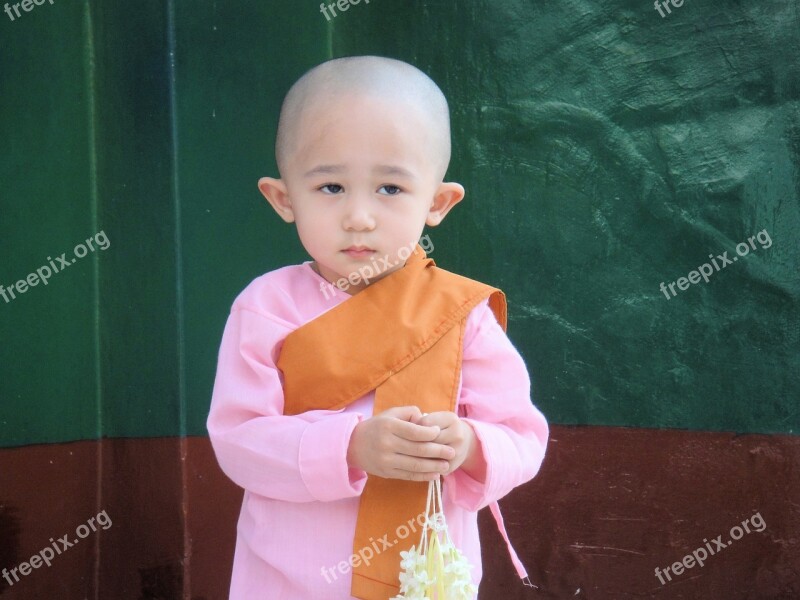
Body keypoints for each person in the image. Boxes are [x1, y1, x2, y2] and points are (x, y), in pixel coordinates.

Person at [206, 55, 549, 600]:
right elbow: (238, 442)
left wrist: (468, 445)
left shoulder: (460, 311)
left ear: (437, 202)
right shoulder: (265, 306)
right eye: (331, 188)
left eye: (389, 189)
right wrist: (350, 447)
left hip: (424, 577)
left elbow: (522, 438)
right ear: (283, 198)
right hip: (286, 579)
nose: (359, 216)